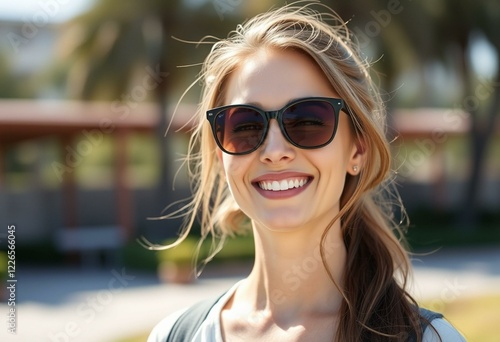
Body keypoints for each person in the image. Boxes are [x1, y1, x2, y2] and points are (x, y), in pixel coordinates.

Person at [148, 2, 466, 341]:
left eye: (308, 121)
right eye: (245, 125)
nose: (274, 152)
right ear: (219, 150)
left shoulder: (431, 338)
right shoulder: (173, 335)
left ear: (357, 149)